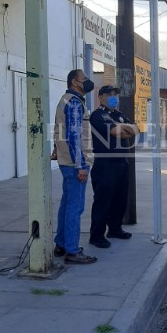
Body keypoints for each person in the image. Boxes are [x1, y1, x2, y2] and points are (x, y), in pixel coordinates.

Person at [52, 69, 96, 264]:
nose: (88, 81)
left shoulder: (66, 100)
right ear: (75, 82)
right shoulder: (75, 103)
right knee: (75, 208)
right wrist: (80, 166)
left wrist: (56, 149)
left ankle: (61, 244)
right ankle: (72, 250)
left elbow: (60, 130)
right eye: (84, 78)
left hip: (67, 161)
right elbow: (73, 136)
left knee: (67, 204)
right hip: (75, 163)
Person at [88, 85, 139, 248]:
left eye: (115, 94)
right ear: (101, 97)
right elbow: (117, 133)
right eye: (110, 94)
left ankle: (115, 229)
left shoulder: (118, 114)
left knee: (120, 199)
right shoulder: (98, 115)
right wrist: (125, 130)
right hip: (105, 164)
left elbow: (136, 129)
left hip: (121, 163)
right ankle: (96, 235)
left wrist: (125, 129)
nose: (114, 97)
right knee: (103, 201)